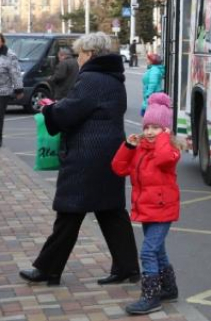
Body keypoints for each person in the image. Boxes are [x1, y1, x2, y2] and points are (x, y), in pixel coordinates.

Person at [19, 32, 140, 287]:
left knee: (69, 211)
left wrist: (50, 108)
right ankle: (127, 268)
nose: (79, 58)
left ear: (91, 54)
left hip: (88, 153)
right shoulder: (112, 78)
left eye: (81, 53)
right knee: (111, 212)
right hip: (108, 151)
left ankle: (48, 269)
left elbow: (71, 110)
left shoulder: (91, 79)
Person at [112, 93, 182, 315]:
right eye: (147, 127)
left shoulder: (170, 150)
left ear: (166, 131)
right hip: (146, 209)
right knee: (158, 251)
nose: (150, 132)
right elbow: (119, 168)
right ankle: (169, 288)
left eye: (156, 127)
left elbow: (162, 159)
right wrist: (128, 147)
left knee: (148, 252)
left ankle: (151, 296)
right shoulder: (140, 148)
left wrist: (164, 138)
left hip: (163, 210)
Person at [0, 32, 25, 147]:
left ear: (2, 41)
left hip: (3, 91)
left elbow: (16, 74)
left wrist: (19, 89)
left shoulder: (10, 55)